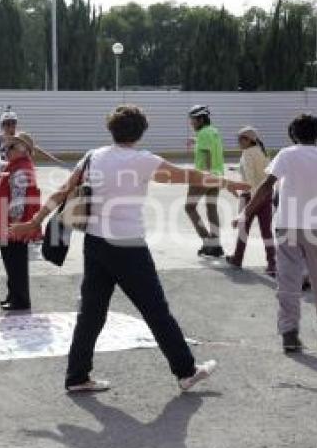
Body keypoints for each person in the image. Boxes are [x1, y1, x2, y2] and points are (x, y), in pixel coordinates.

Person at [13, 105, 250, 393]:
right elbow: (190, 176)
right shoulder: (142, 161)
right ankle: (186, 370)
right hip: (128, 245)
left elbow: (63, 191)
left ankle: (77, 376)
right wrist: (228, 183)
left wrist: (33, 223)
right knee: (155, 310)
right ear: (140, 133)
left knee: (91, 312)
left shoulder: (92, 157)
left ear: (111, 130)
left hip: (96, 243)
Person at [241, 114, 317, 353]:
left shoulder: (287, 154)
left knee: (288, 279)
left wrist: (246, 212)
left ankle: (289, 332)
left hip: (287, 224)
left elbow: (267, 185)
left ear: (293, 135)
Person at [0, 108, 63, 238]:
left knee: (23, 203)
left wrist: (52, 158)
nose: (10, 126)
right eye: (7, 123)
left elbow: (35, 148)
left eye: (13, 123)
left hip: (18, 173)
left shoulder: (20, 139)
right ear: (2, 125)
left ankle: (29, 231)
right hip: (5, 174)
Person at [0, 132, 42, 311]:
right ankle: (13, 296)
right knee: (11, 262)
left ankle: (20, 300)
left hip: (13, 225)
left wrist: (15, 225)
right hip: (10, 225)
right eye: (6, 147)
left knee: (15, 263)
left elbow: (19, 200)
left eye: (12, 147)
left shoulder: (21, 169)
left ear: (24, 150)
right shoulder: (16, 166)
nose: (7, 150)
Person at [225, 126, 275, 277]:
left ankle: (237, 258)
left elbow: (251, 178)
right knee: (266, 231)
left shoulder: (247, 153)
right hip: (266, 194)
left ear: (248, 140)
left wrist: (252, 200)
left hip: (251, 195)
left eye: (240, 139)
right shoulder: (261, 151)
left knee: (243, 228)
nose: (238, 142)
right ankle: (273, 263)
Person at [185, 105, 225, 257]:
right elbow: (211, 148)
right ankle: (216, 244)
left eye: (193, 120)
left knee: (189, 207)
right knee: (211, 209)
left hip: (203, 176)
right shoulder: (214, 131)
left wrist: (206, 174)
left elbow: (208, 154)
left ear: (201, 119)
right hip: (217, 175)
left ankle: (208, 242)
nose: (191, 123)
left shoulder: (203, 133)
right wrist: (195, 141)